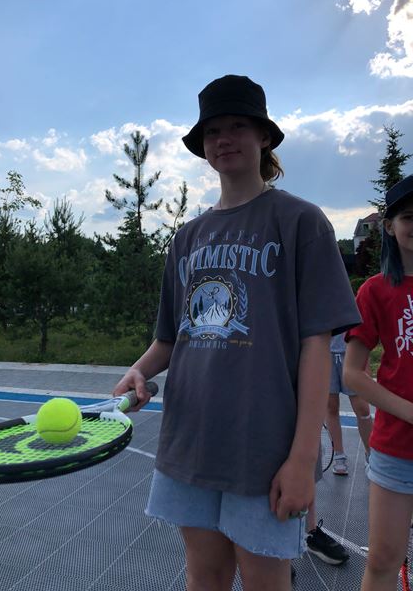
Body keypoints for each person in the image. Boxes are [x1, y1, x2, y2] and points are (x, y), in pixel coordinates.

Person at [114, 74, 360, 591]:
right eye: (212, 131)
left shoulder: (301, 222)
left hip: (263, 448)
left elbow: (317, 347)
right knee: (204, 575)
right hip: (191, 442)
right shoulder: (187, 237)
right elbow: (170, 338)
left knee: (266, 581)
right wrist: (138, 370)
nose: (223, 139)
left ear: (264, 137)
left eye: (237, 127)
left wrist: (301, 459)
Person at [344, 175, 413, 591]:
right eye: (409, 217)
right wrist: (408, 411)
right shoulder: (374, 290)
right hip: (396, 450)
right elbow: (352, 373)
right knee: (385, 558)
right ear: (389, 226)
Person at [327, 333, 373, 475]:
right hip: (325, 352)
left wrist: (366, 359)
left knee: (363, 409)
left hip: (352, 351)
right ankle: (339, 455)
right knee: (331, 407)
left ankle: (371, 454)